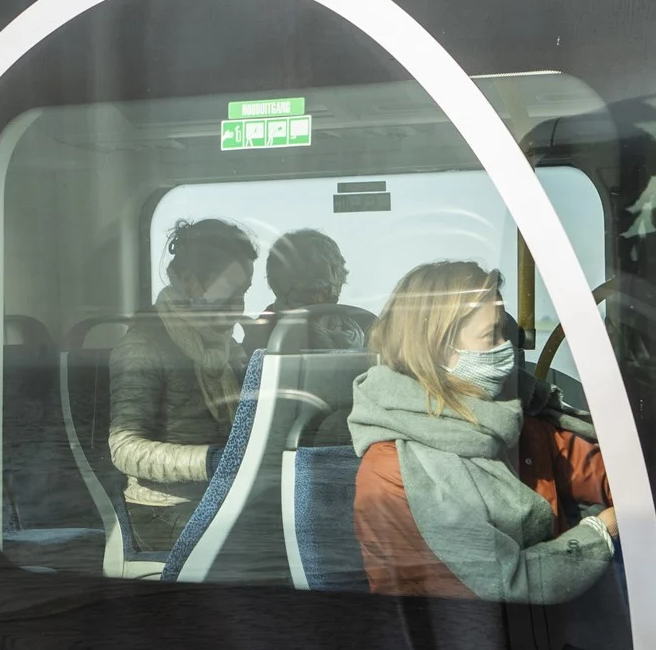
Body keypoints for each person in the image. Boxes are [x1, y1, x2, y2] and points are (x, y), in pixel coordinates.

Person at [348, 261, 618, 600]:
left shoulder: (512, 415)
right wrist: (600, 530)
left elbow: (598, 470)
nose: (507, 346)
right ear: (440, 350)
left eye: (504, 330)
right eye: (491, 335)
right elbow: (499, 587)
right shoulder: (396, 471)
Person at [107, 219, 257, 551]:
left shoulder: (231, 349)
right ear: (189, 282)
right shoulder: (141, 347)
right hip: (162, 511)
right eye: (228, 291)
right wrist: (210, 461)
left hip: (224, 497)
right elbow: (123, 447)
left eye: (243, 293)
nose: (239, 306)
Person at [243, 229, 371, 352]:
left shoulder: (361, 328)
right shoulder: (265, 332)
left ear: (339, 278)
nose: (311, 287)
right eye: (298, 277)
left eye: (319, 278)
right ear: (278, 282)